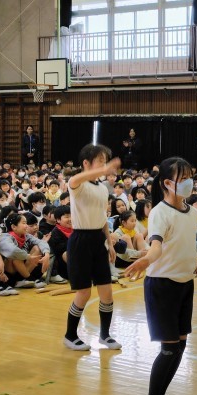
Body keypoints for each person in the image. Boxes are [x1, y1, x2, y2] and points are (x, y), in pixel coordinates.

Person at [123, 157, 197, 395]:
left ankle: (161, 394)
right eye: (183, 178)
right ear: (168, 183)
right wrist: (145, 261)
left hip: (185, 284)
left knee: (180, 345)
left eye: (191, 176)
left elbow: (186, 241)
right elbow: (156, 246)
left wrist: (196, 258)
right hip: (162, 286)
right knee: (169, 349)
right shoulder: (159, 212)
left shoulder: (192, 212)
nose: (190, 182)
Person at [63, 144, 122, 351]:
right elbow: (74, 179)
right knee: (84, 293)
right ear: (86, 163)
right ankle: (70, 335)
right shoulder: (77, 184)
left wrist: (109, 243)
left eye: (106, 161)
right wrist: (105, 170)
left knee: (107, 292)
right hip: (80, 240)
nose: (104, 165)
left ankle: (105, 335)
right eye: (100, 161)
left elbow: (102, 217)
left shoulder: (103, 188)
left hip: (98, 240)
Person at [0, 213, 50, 289]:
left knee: (37, 248)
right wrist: (28, 257)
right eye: (24, 223)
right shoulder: (5, 237)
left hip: (22, 269)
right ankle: (29, 278)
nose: (26, 226)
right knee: (15, 255)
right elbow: (13, 250)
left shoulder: (25, 235)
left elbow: (41, 242)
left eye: (26, 223)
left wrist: (47, 254)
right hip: (8, 273)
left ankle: (22, 279)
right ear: (14, 227)